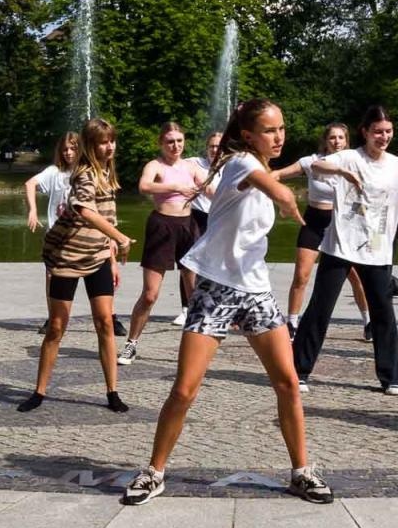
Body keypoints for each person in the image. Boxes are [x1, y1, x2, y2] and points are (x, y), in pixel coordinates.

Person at [122, 99, 332, 506]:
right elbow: (274, 189)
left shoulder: (259, 165)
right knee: (184, 390)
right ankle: (154, 472)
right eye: (270, 130)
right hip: (216, 289)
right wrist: (291, 204)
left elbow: (276, 181)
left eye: (282, 128)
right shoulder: (239, 163)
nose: (279, 136)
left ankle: (301, 472)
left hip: (255, 292)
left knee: (288, 383)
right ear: (250, 135)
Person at [292, 105, 398, 397]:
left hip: (378, 249)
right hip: (341, 245)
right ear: (365, 132)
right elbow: (316, 166)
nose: (384, 137)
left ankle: (391, 377)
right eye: (378, 131)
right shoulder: (349, 157)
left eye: (388, 132)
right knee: (320, 308)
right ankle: (299, 370)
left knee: (384, 313)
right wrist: (342, 170)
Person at [20, 117, 133, 413]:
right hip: (67, 257)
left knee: (105, 322)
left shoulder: (108, 173)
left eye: (111, 141)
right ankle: (39, 391)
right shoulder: (84, 175)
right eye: (102, 142)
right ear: (90, 146)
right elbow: (84, 209)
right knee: (57, 326)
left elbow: (107, 217)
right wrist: (120, 238)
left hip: (97, 257)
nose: (109, 147)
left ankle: (112, 392)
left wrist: (111, 258)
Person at [117, 122, 208, 365]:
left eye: (179, 140)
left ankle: (196, 349)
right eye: (170, 141)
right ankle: (131, 344)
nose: (175, 145)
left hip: (188, 227)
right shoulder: (155, 165)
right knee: (150, 294)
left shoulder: (191, 166)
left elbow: (211, 188)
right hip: (162, 225)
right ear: (161, 143)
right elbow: (144, 186)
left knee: (194, 293)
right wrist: (176, 186)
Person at [274, 123, 371, 337]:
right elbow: (278, 174)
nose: (336, 141)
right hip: (315, 221)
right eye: (332, 138)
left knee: (355, 277)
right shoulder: (311, 162)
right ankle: (292, 322)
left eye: (340, 138)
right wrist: (258, 180)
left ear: (346, 141)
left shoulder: (356, 163)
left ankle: (368, 321)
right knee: (301, 275)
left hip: (343, 225)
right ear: (325, 141)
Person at [179, 131, 223, 325]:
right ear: (206, 148)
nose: (215, 150)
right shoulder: (195, 163)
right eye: (212, 146)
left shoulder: (230, 166)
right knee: (189, 262)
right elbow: (174, 163)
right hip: (197, 217)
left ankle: (217, 305)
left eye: (218, 146)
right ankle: (186, 307)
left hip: (220, 218)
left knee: (217, 263)